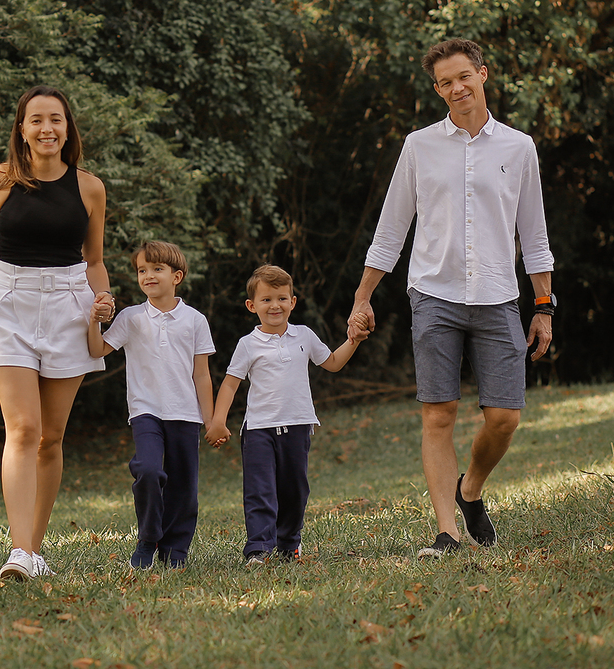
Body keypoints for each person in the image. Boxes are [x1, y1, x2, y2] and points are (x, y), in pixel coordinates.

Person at [350, 37, 554, 558]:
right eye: (445, 82)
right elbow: (391, 228)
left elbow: (533, 235)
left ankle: (471, 489)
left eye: (464, 76)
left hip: (498, 296)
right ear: (437, 89)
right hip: (433, 295)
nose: (456, 88)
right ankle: (447, 532)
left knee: (504, 416)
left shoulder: (519, 147)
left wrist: (544, 306)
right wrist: (363, 296)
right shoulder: (419, 146)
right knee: (438, 414)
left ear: (482, 73)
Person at [0, 84, 116, 583]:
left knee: (52, 437)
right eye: (36, 120)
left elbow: (94, 260)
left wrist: (103, 305)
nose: (47, 128)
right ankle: (19, 551)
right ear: (22, 130)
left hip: (71, 306)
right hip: (8, 304)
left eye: (56, 119)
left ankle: (35, 547)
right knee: (24, 429)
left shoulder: (89, 187)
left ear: (67, 128)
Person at [207, 265, 370, 564]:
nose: (275, 306)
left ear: (292, 302)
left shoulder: (304, 336)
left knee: (295, 491)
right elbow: (230, 385)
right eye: (266, 300)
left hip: (297, 427)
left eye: (282, 298)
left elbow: (332, 363)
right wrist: (218, 421)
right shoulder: (248, 344)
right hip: (259, 430)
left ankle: (288, 544)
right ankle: (259, 549)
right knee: (260, 491)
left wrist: (354, 340)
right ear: (252, 305)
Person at [86, 240, 216, 570]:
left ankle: (176, 551)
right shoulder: (131, 318)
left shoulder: (195, 320)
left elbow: (201, 375)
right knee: (147, 470)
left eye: (157, 269)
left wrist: (211, 419)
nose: (148, 276)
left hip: (185, 413)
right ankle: (149, 538)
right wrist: (93, 320)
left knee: (184, 487)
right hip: (145, 411)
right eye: (142, 270)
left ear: (177, 276)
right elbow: (98, 349)